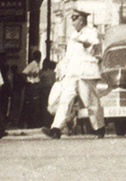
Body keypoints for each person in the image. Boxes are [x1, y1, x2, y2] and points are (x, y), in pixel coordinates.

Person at [44, 9, 106, 139]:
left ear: (82, 20)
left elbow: (94, 44)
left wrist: (85, 43)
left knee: (91, 102)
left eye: (75, 19)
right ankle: (56, 129)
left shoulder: (91, 31)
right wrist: (60, 69)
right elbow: (68, 56)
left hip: (86, 73)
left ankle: (99, 127)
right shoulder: (72, 36)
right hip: (72, 73)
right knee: (65, 101)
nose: (73, 23)